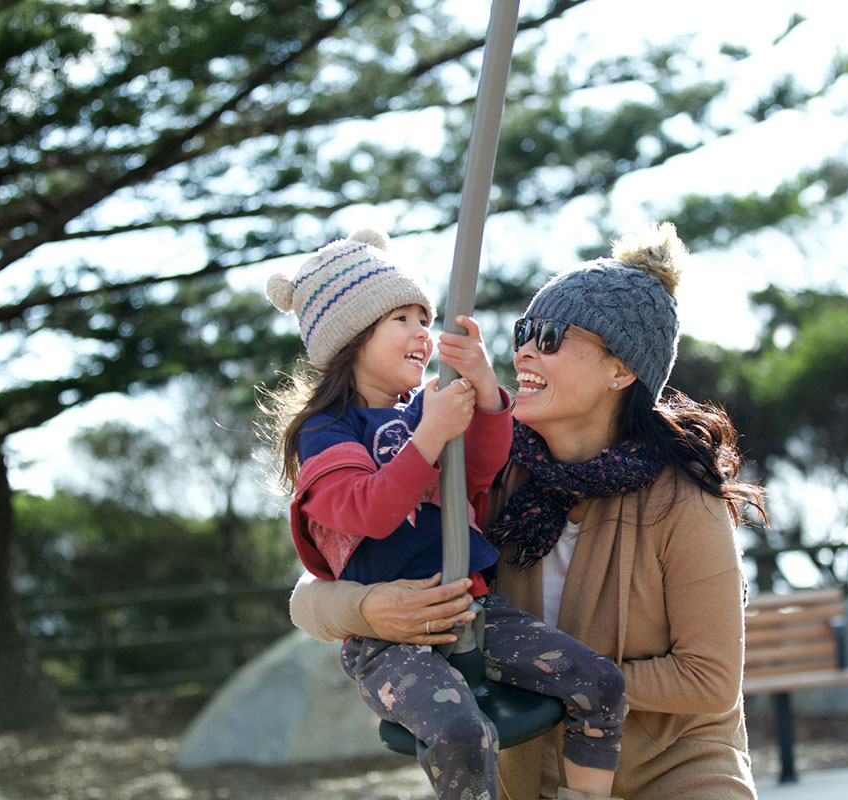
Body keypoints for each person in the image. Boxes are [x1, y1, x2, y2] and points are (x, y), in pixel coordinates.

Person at [290, 222, 769, 800]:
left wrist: (559, 676)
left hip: (673, 773)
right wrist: (367, 608)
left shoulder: (682, 501)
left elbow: (710, 680)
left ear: (622, 371)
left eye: (551, 336)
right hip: (529, 776)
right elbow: (309, 598)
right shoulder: (489, 470)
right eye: (524, 331)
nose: (523, 350)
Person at [263, 229, 626, 800]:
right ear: (350, 338)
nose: (421, 333)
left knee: (598, 682)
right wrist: (429, 434)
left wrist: (483, 392)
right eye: (400, 319)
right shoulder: (327, 432)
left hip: (473, 610)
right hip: (389, 641)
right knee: (461, 731)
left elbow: (479, 472)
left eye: (423, 317)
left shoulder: (427, 409)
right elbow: (368, 511)